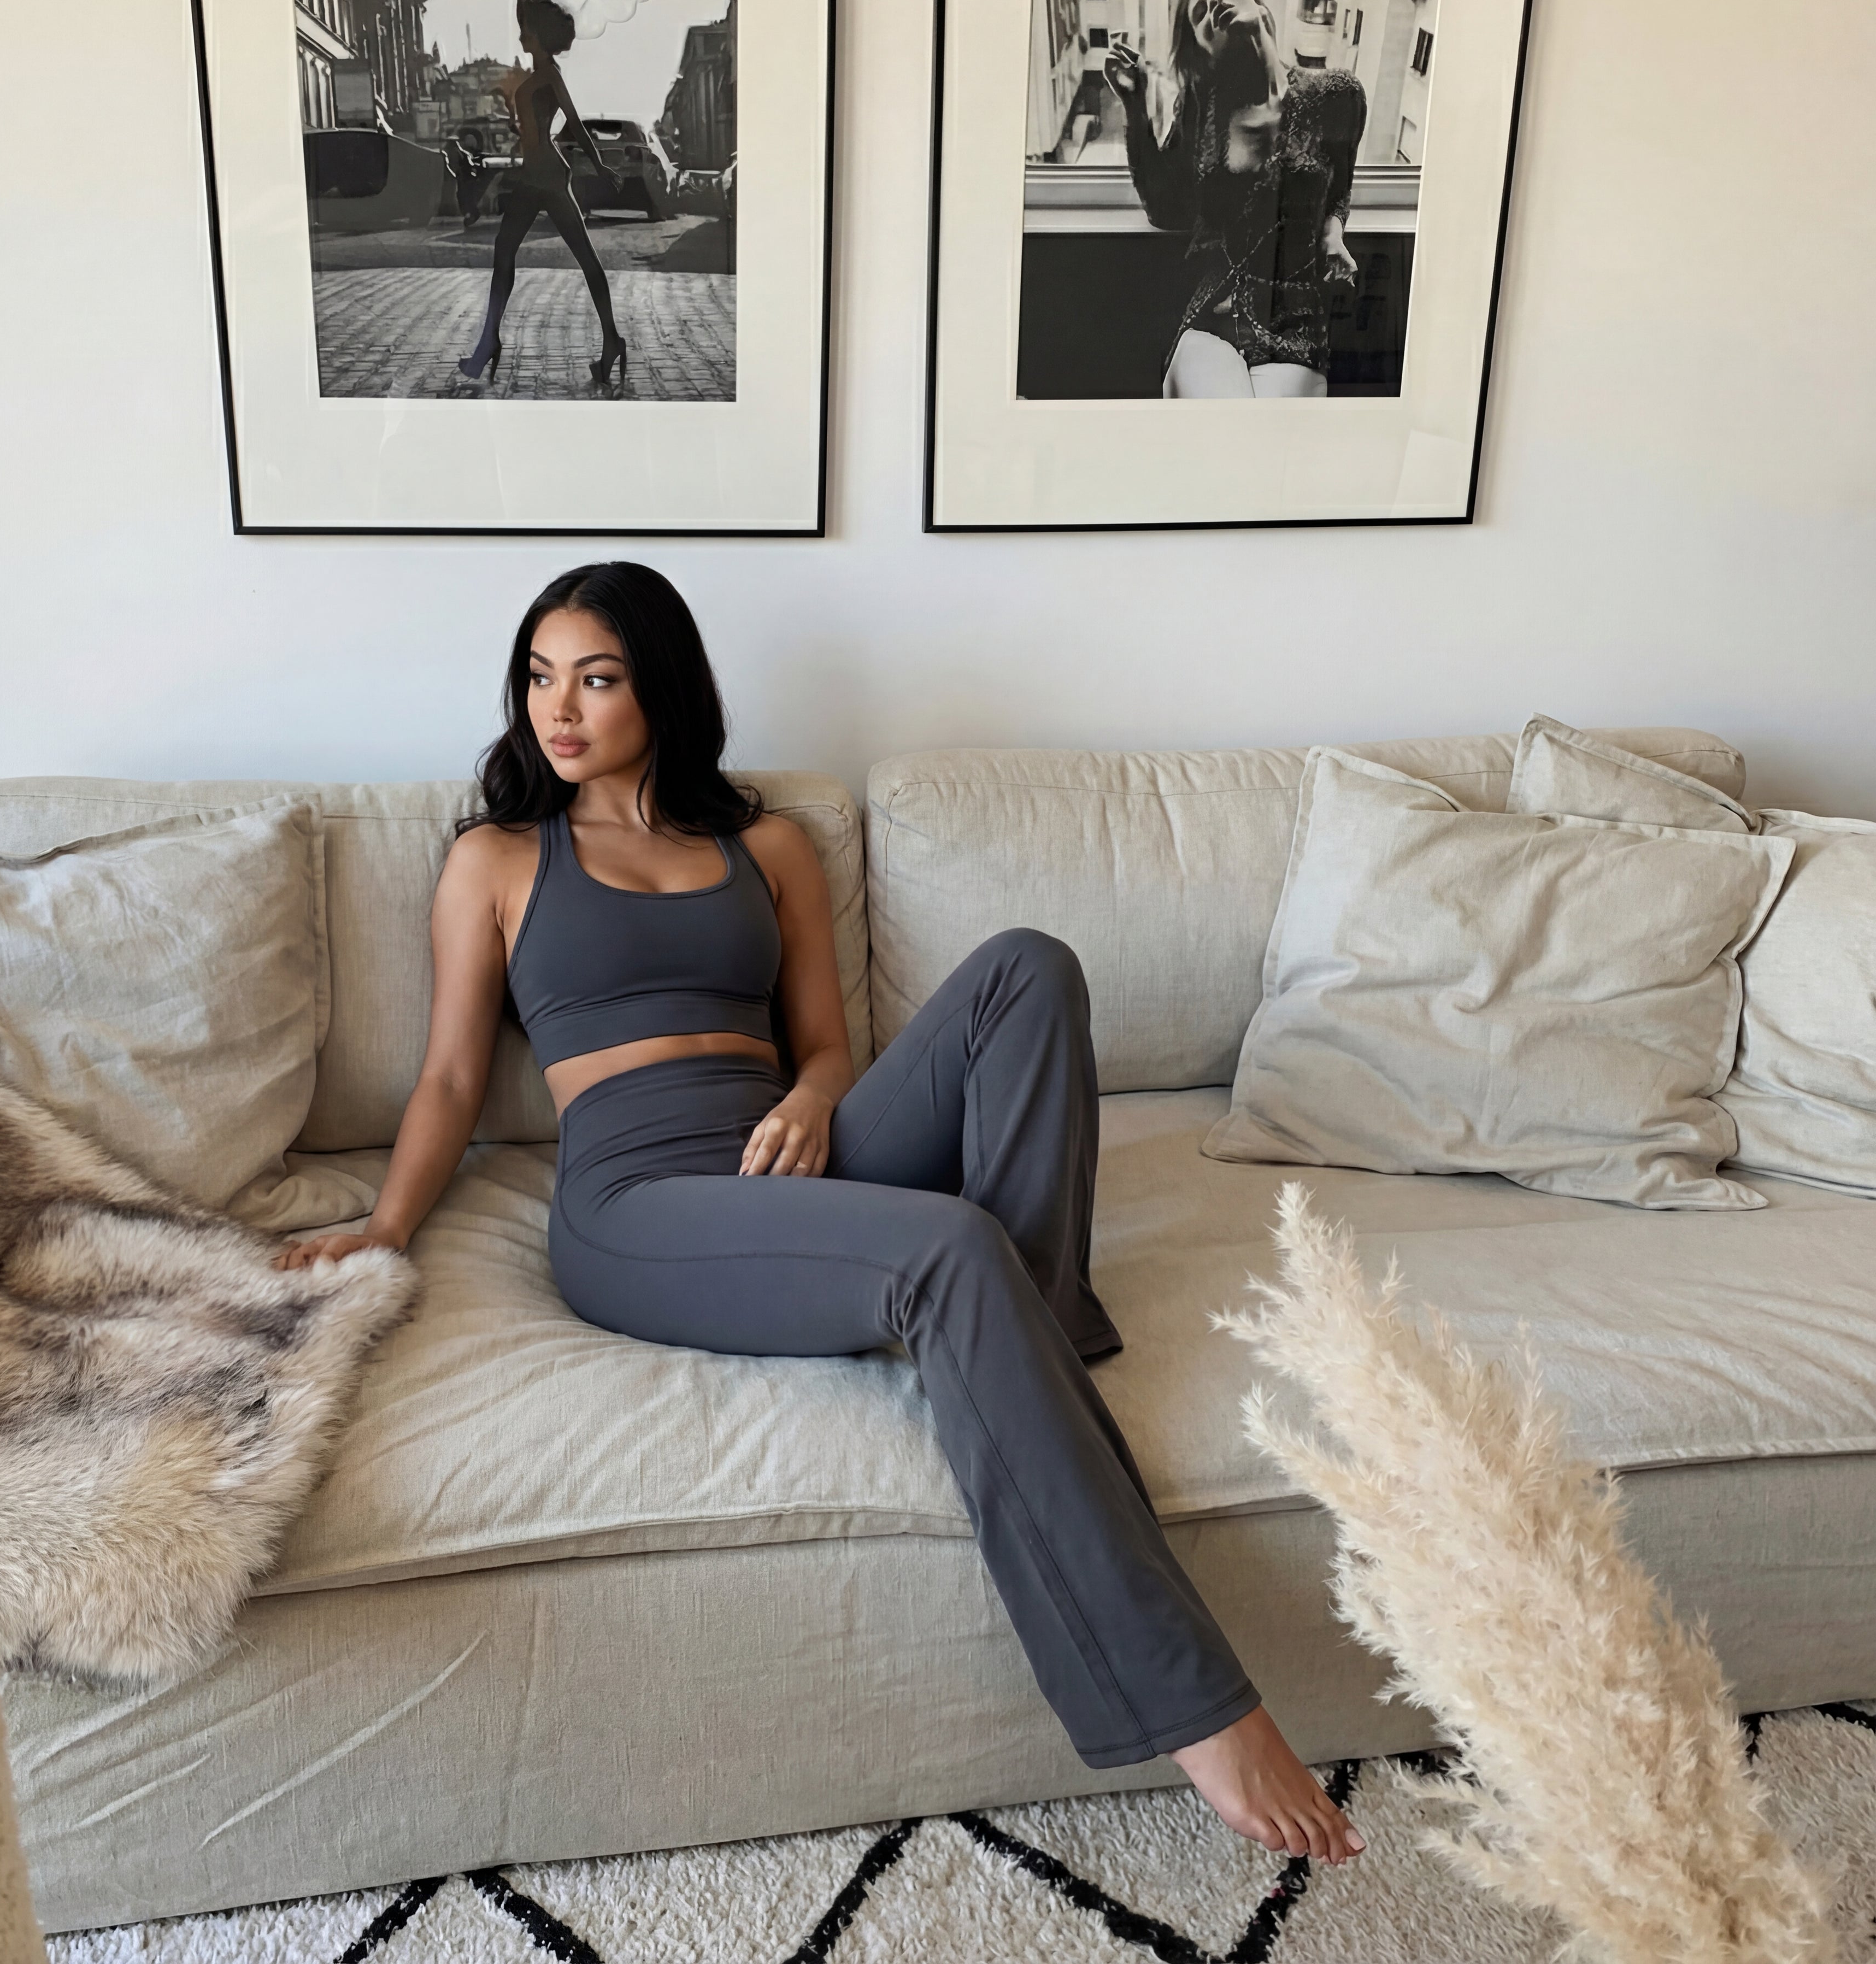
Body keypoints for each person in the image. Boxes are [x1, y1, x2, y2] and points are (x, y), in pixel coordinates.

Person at [277, 561, 1364, 1866]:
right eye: (539, 677)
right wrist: (386, 1226)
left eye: (595, 678)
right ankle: (1189, 1701)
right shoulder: (498, 858)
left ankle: (1028, 1331)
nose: (556, 708)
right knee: (947, 1248)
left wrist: (808, 1097)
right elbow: (453, 1077)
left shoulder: (769, 846)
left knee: (1027, 968)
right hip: (639, 1197)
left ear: (661, 689)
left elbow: (830, 1047)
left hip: (790, 1146)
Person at [1107, 0, 1366, 399]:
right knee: (1229, 425)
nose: (1215, 4)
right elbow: (1164, 208)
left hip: (1295, 326)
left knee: (1262, 435)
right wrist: (1135, 105)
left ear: (1257, 3)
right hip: (1215, 317)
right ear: (1203, 50)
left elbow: (1339, 186)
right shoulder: (1200, 109)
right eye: (1201, 15)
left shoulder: (1338, 95)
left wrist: (1333, 231)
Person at [456, 0, 628, 390]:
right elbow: (521, 9)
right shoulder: (536, 72)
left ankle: (611, 341)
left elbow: (575, 123)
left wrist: (600, 165)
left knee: (584, 258)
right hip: (534, 178)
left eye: (526, 28)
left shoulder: (550, 75)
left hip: (548, 178)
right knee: (505, 252)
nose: (519, 31)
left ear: (538, 35)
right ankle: (489, 341)